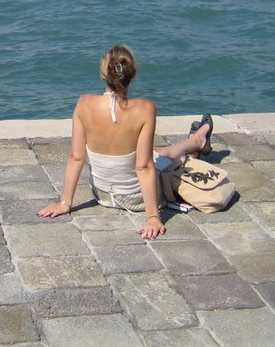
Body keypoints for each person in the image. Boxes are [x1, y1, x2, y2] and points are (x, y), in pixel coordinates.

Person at [37, 44, 213, 240]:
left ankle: (196, 141)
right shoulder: (145, 108)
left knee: (156, 153)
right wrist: (153, 217)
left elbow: (76, 157)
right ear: (133, 74)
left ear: (102, 74)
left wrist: (64, 203)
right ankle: (197, 140)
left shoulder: (83, 103)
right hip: (136, 200)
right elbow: (144, 167)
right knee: (161, 156)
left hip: (103, 196)